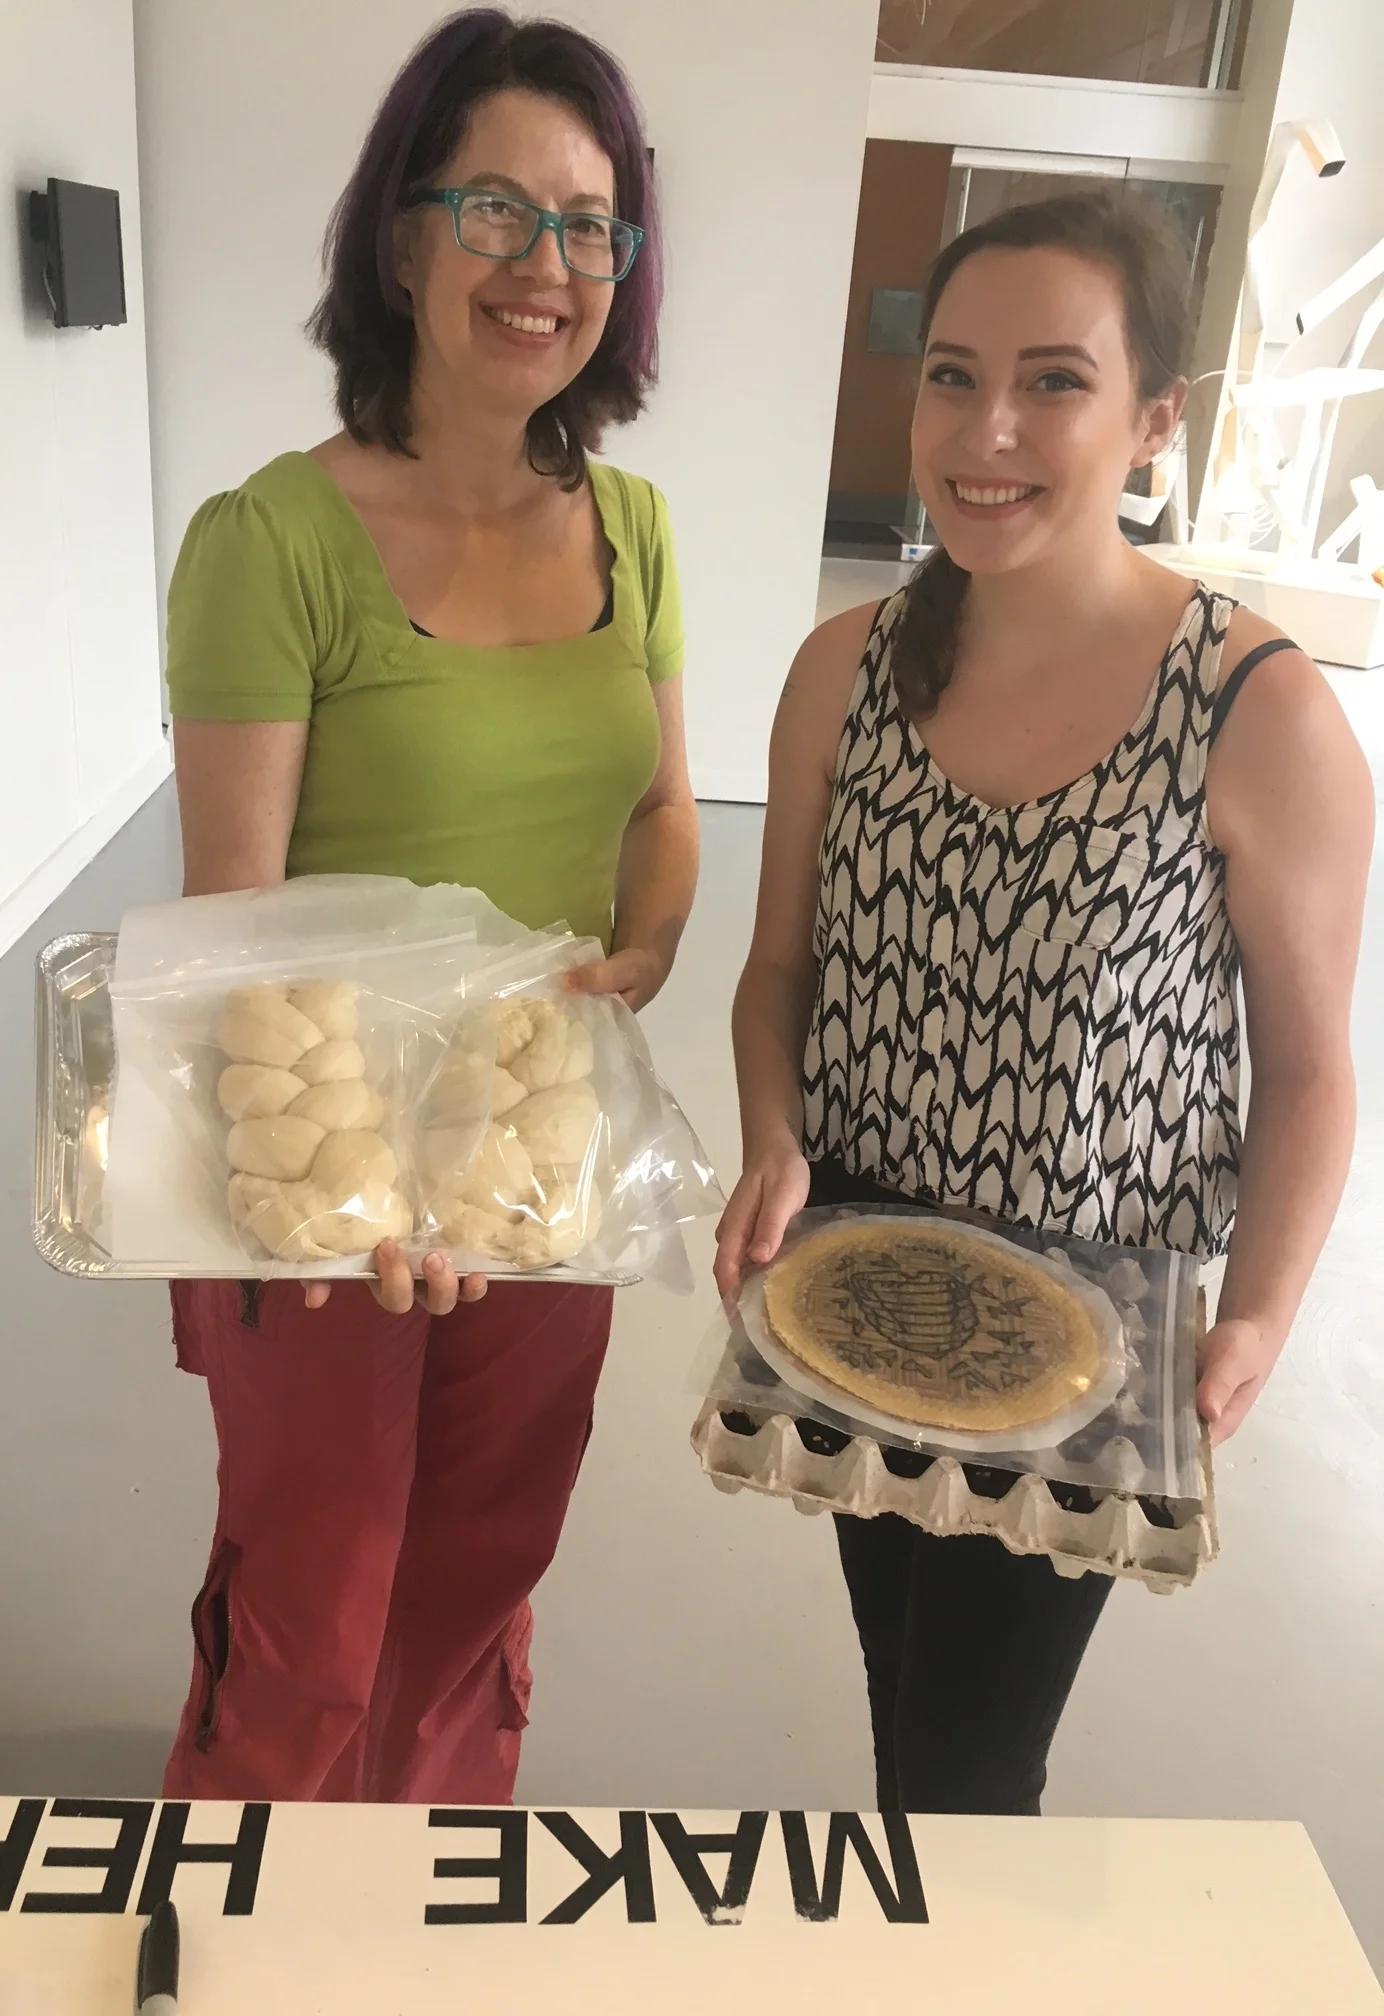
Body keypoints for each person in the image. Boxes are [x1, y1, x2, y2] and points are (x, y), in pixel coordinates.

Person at [716, 191, 1372, 1816]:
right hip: (856, 1282)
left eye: (1055, 382)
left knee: (964, 1761)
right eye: (951, 375)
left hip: (1091, 1327)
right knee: (902, 1689)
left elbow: (1308, 1075)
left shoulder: (1256, 713)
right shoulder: (842, 670)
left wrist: (1261, 1318)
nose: (985, 429)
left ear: (1157, 418)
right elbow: (778, 971)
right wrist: (775, 1141)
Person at [162, 9, 696, 1804]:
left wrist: (653, 938)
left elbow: (665, 813)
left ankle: (418, 1932)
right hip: (321, 1188)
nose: (549, 266)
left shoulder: (635, 527)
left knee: (476, 1587)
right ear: (401, 237)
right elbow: (234, 927)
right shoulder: (272, 542)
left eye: (591, 223)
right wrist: (372, 1191)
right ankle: (245, 1929)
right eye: (498, 210)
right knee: (318, 1618)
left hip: (538, 1154)